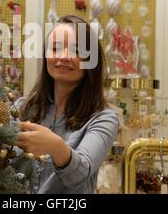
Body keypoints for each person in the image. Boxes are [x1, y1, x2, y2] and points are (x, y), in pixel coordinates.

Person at [13, 15, 119, 194]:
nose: (63, 57)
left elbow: (80, 173)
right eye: (55, 48)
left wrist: (55, 146)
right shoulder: (23, 108)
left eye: (76, 50)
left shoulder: (103, 119)